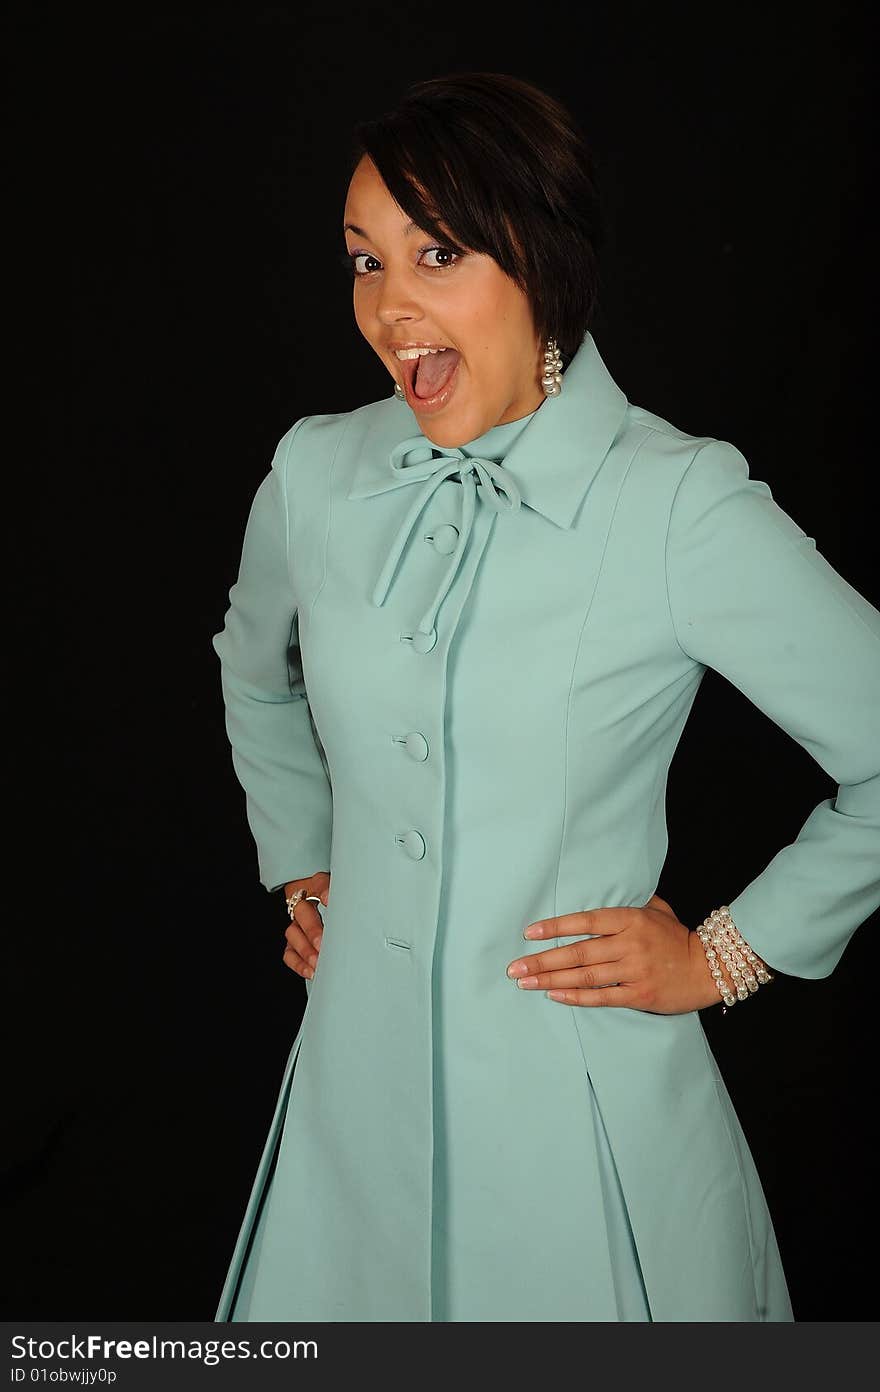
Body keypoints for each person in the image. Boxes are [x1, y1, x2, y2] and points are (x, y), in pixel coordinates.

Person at [211, 72, 880, 1323]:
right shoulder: (313, 471)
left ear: (541, 261)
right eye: (364, 262)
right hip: (349, 1147)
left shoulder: (677, 504)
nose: (389, 308)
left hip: (584, 1138)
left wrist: (726, 955)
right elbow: (257, 671)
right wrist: (304, 863)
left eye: (438, 254)